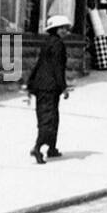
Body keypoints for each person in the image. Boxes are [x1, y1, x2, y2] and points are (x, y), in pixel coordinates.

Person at [25, 14, 71, 164]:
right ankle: (37, 148)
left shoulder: (47, 42)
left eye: (66, 28)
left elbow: (39, 64)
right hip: (50, 87)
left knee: (49, 117)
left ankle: (52, 148)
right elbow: (58, 68)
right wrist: (64, 87)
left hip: (41, 86)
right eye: (62, 28)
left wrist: (30, 84)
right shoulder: (58, 45)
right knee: (49, 118)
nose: (65, 31)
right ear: (55, 29)